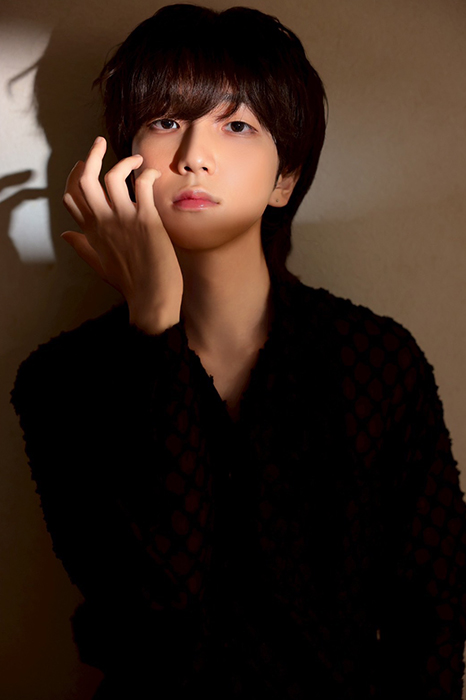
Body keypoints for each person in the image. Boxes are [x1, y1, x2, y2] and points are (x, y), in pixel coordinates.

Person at [10, 4, 466, 699]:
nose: (193, 154)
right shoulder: (63, 381)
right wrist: (155, 322)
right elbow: (162, 595)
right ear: (123, 162)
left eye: (237, 125)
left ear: (286, 178)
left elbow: (433, 620)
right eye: (166, 121)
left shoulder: (376, 362)